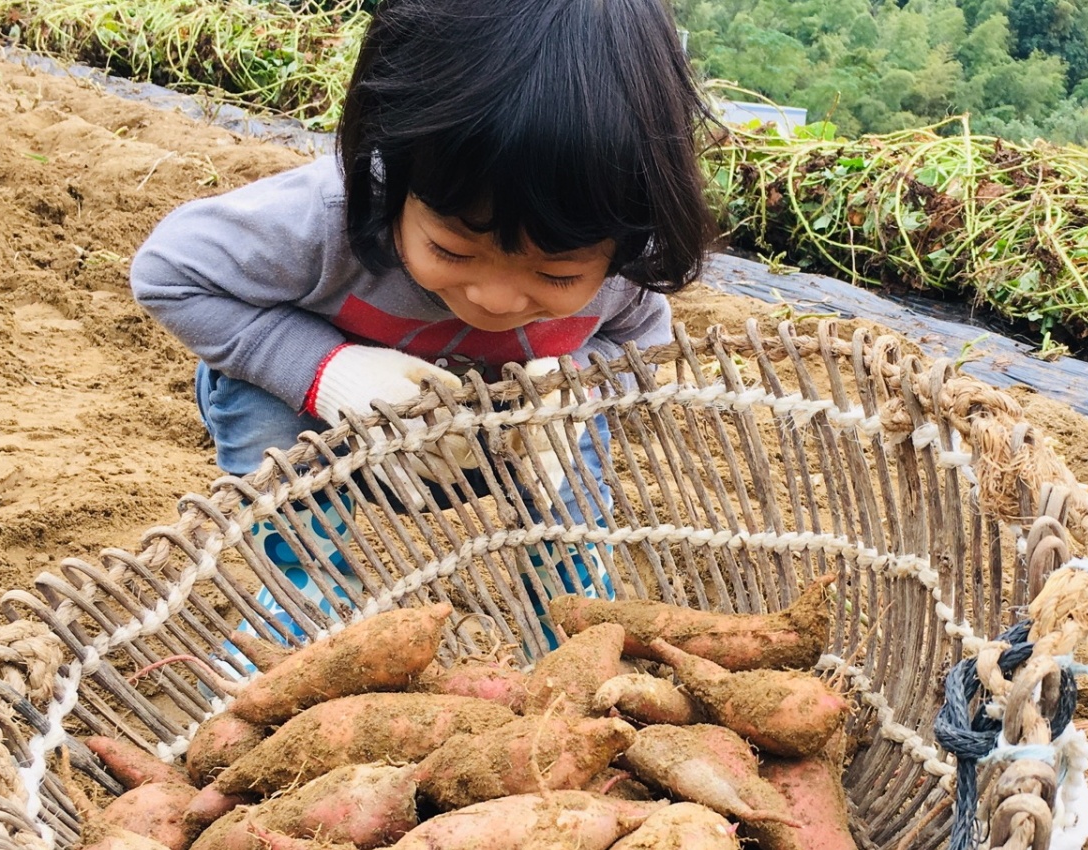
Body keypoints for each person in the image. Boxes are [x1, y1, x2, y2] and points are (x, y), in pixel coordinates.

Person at [128, 0, 719, 666]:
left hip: (501, 440)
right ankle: (297, 609)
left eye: (555, 275)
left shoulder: (619, 262)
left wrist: (578, 381)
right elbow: (168, 272)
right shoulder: (327, 217)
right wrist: (327, 373)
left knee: (579, 436)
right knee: (266, 414)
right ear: (396, 167)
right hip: (328, 432)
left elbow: (642, 349)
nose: (493, 298)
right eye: (456, 251)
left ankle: (573, 625)